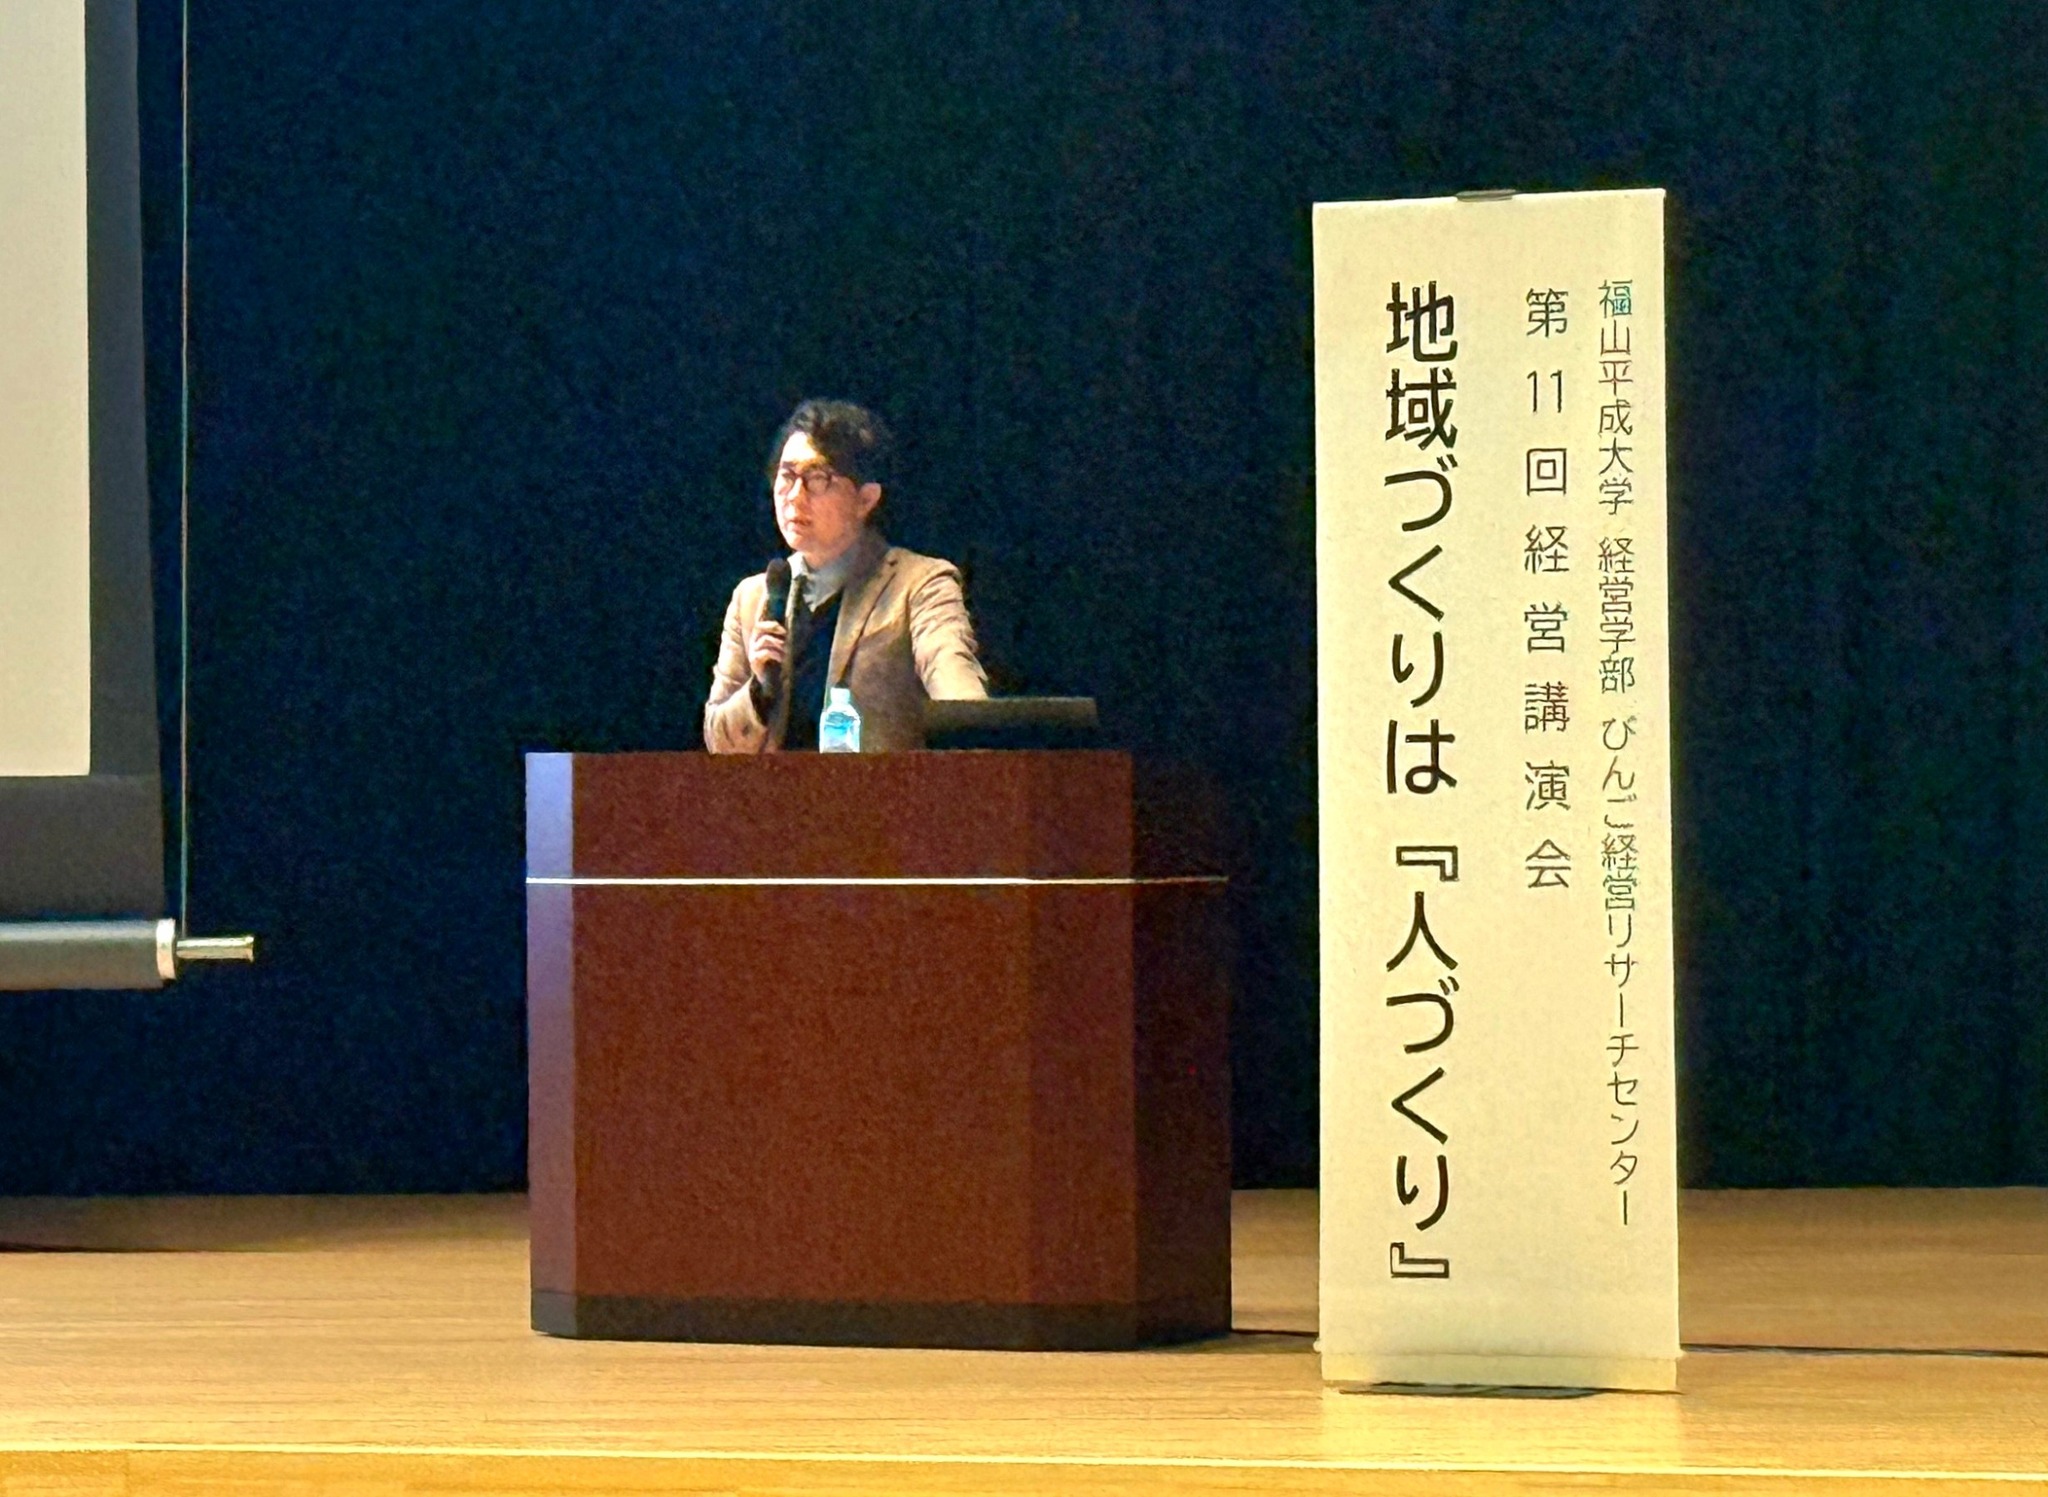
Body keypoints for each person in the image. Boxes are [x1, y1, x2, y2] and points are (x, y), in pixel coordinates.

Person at [703, 399, 988, 753]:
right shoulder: (752, 598)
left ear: (866, 499)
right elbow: (718, 741)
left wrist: (977, 738)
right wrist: (758, 692)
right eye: (787, 476)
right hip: (773, 790)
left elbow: (958, 694)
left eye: (817, 479)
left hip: (878, 789)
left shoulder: (920, 584)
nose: (794, 496)